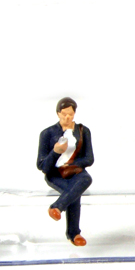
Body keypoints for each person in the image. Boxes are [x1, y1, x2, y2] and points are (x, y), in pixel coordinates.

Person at [37, 97, 94, 246]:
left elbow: (89, 158)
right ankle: (74, 234)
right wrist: (55, 152)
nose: (67, 117)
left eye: (70, 114)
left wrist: (71, 164)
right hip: (56, 174)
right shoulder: (47, 133)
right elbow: (42, 166)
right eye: (64, 114)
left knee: (86, 179)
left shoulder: (83, 131)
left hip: (75, 171)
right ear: (58, 113)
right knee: (74, 193)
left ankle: (57, 207)